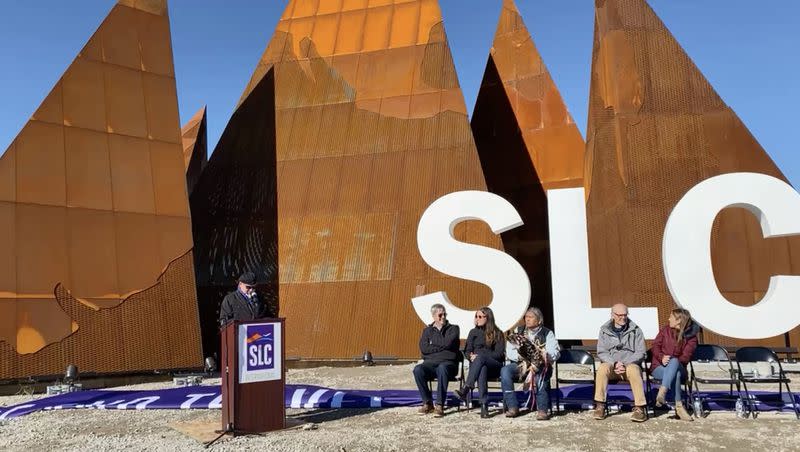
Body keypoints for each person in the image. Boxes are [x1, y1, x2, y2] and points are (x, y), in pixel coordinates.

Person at [500, 307, 560, 419]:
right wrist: (521, 357)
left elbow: (555, 352)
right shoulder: (518, 331)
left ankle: (542, 410)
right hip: (521, 365)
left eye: (531, 317)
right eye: (526, 317)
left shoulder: (547, 333)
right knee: (505, 371)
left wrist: (545, 355)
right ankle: (512, 407)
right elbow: (509, 351)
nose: (527, 319)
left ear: (539, 320)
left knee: (540, 376)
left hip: (541, 366)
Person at [593, 303, 648, 422]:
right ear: (612, 315)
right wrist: (615, 363)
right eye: (619, 315)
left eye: (625, 315)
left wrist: (625, 363)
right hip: (613, 366)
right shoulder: (604, 331)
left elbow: (641, 352)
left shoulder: (636, 331)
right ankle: (600, 406)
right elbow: (601, 352)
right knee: (602, 368)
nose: (623, 318)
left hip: (629, 365)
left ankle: (639, 408)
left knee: (634, 370)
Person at [455, 306, 506, 418]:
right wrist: (470, 356)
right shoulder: (473, 332)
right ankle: (484, 406)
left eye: (480, 316)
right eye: (476, 316)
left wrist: (480, 356)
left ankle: (467, 387)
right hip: (479, 367)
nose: (477, 319)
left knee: (481, 359)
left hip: (494, 365)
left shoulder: (497, 333)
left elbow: (499, 354)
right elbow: (467, 351)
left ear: (487, 318)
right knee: (482, 368)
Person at [412, 304, 461, 417]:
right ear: (433, 316)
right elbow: (423, 348)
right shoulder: (427, 331)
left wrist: (433, 346)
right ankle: (427, 403)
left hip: (449, 365)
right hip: (430, 364)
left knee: (442, 368)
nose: (443, 317)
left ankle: (439, 405)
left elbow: (449, 343)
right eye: (440, 315)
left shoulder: (454, 329)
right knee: (418, 369)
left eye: (445, 314)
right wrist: (443, 349)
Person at [650, 308, 699, 421]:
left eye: (671, 317)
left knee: (675, 362)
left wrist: (672, 361)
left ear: (678, 320)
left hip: (680, 366)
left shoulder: (691, 337)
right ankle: (679, 407)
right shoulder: (665, 330)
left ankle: (663, 390)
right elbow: (655, 346)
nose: (668, 319)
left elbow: (685, 357)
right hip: (659, 367)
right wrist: (661, 357)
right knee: (674, 374)